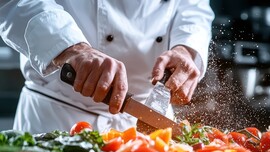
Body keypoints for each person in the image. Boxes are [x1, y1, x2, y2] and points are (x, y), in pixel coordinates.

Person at [0, 0, 214, 133]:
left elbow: (194, 7)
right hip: (59, 118)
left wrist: (186, 48)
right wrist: (71, 47)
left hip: (152, 123)